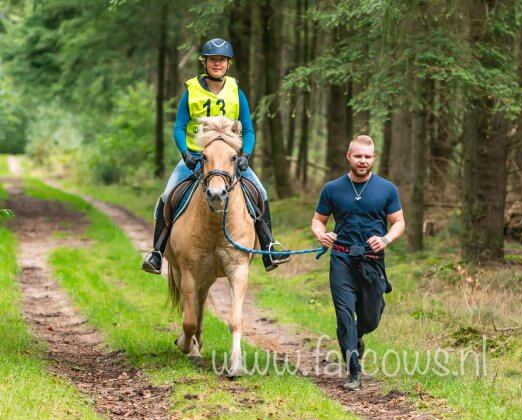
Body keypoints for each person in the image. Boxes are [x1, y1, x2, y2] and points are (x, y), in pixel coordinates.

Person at [141, 38, 288, 274]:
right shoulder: (191, 91)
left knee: (260, 192)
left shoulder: (236, 92)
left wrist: (246, 155)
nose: (217, 64)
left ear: (228, 63)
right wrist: (186, 154)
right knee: (167, 194)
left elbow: (248, 129)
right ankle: (157, 253)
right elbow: (179, 127)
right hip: (196, 158)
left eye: (221, 60)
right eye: (212, 60)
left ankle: (270, 247)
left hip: (230, 160)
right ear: (205, 62)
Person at [311, 135, 405, 391]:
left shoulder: (386, 189)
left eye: (367, 156)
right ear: (348, 156)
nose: (362, 161)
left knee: (371, 317)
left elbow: (399, 222)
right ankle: (353, 371)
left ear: (373, 158)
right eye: (358, 156)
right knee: (344, 315)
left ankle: (359, 335)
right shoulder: (333, 188)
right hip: (341, 258)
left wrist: (386, 239)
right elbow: (318, 219)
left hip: (372, 260)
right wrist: (322, 234)